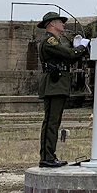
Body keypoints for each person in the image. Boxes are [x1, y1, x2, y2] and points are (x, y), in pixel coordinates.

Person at [36, 11, 88, 168]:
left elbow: (67, 55)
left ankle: (49, 155)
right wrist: (80, 48)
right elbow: (69, 55)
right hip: (54, 84)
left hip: (57, 83)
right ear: (52, 24)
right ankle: (47, 157)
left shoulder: (54, 40)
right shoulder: (49, 40)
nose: (63, 24)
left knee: (54, 121)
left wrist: (76, 49)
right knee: (51, 122)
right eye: (61, 21)